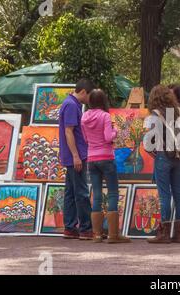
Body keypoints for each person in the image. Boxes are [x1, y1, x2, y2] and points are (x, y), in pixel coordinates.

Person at [81, 89, 131, 244]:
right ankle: (113, 235)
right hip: (106, 158)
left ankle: (96, 234)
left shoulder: (84, 117)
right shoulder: (105, 116)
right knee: (113, 193)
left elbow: (85, 138)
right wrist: (115, 131)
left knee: (96, 194)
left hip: (91, 158)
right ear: (103, 101)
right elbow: (108, 137)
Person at [146, 85, 180, 244]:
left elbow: (150, 140)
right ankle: (178, 234)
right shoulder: (179, 112)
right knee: (178, 194)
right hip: (178, 157)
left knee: (164, 195)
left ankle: (163, 233)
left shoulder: (155, 115)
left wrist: (153, 152)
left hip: (163, 156)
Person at [59, 79, 94, 240]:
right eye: (89, 96)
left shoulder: (69, 103)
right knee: (81, 191)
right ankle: (86, 228)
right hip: (76, 155)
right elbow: (69, 131)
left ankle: (70, 227)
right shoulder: (72, 105)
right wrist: (75, 155)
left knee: (71, 191)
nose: (89, 100)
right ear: (84, 92)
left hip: (73, 155)